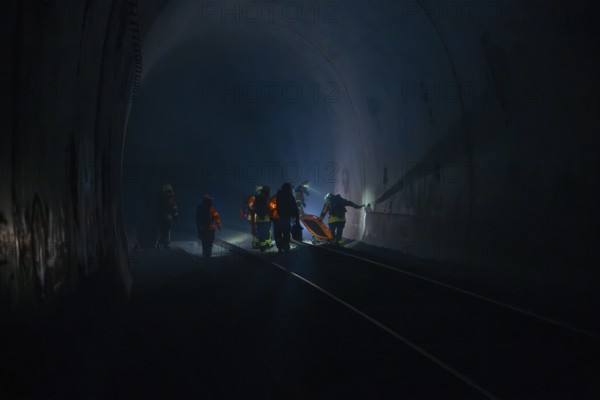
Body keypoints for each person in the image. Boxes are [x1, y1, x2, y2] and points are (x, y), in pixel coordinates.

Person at [274, 182, 300, 253]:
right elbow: (295, 208)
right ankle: (286, 248)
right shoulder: (290, 196)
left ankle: (279, 248)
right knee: (286, 233)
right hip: (286, 218)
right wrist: (297, 220)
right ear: (289, 188)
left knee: (278, 233)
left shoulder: (277, 195)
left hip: (278, 219)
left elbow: (272, 207)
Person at [196, 194, 221, 258]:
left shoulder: (200, 208)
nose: (210, 201)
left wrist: (199, 227)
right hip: (210, 228)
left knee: (205, 242)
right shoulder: (211, 208)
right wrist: (218, 225)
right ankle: (208, 255)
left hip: (204, 228)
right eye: (210, 200)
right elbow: (216, 217)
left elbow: (197, 219)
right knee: (209, 242)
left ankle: (206, 254)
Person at [155, 184, 178, 249]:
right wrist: (175, 215)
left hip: (162, 217)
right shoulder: (170, 197)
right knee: (166, 231)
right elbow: (174, 207)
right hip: (166, 217)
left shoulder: (161, 197)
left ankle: (163, 243)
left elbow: (174, 207)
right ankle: (165, 244)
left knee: (164, 230)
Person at [253, 185, 273, 252]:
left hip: (258, 219)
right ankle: (265, 246)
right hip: (266, 219)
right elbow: (270, 208)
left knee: (260, 233)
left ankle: (262, 246)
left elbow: (254, 208)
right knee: (266, 232)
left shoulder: (257, 198)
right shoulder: (268, 198)